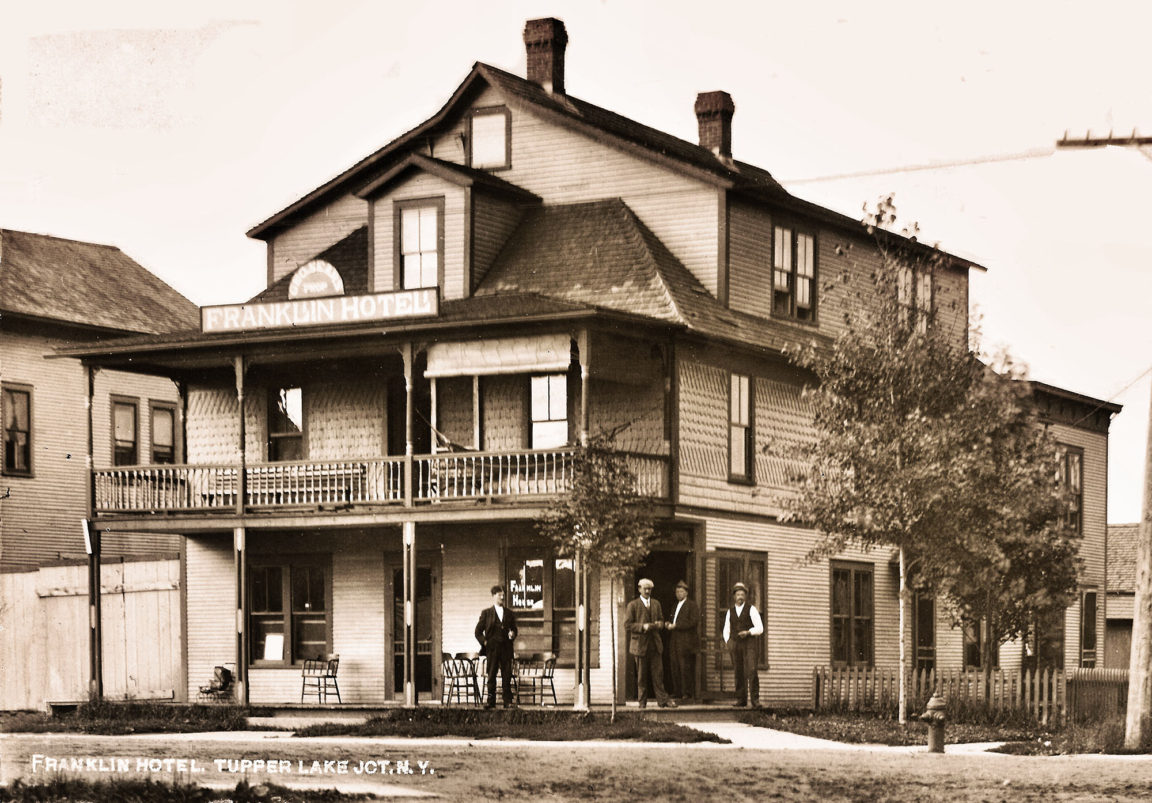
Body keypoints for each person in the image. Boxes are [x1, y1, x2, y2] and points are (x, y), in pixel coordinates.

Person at [624, 578, 678, 708]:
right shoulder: (633, 605)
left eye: (649, 589)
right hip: (640, 646)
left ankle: (662, 701)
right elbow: (627, 625)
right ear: (639, 589)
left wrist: (660, 624)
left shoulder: (656, 604)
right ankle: (642, 703)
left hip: (655, 645)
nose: (647, 591)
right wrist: (642, 627)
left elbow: (661, 620)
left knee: (658, 675)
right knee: (641, 677)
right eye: (645, 588)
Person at [474, 584, 518, 708]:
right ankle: (491, 701)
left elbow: (514, 629)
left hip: (506, 649)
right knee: (491, 674)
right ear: (493, 596)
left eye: (503, 595)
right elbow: (477, 632)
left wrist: (512, 634)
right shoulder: (487, 613)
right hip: (492, 649)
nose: (502, 597)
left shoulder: (509, 613)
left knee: (507, 675)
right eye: (499, 595)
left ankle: (507, 701)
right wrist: (485, 642)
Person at [722, 581, 764, 708]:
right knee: (738, 672)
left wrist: (749, 632)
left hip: (749, 644)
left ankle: (755, 701)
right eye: (737, 594)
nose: (740, 597)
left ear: (745, 596)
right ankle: (741, 700)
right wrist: (728, 642)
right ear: (734, 596)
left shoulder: (751, 609)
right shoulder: (730, 612)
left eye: (742, 594)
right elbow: (726, 630)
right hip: (736, 645)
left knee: (751, 670)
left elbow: (760, 628)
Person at [664, 579, 699, 700]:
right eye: (677, 592)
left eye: (681, 591)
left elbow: (693, 622)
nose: (679, 594)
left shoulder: (692, 605)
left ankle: (686, 692)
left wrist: (676, 626)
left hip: (686, 640)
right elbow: (672, 620)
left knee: (684, 666)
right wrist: (668, 624)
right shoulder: (675, 606)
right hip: (674, 639)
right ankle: (677, 691)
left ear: (686, 593)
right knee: (675, 665)